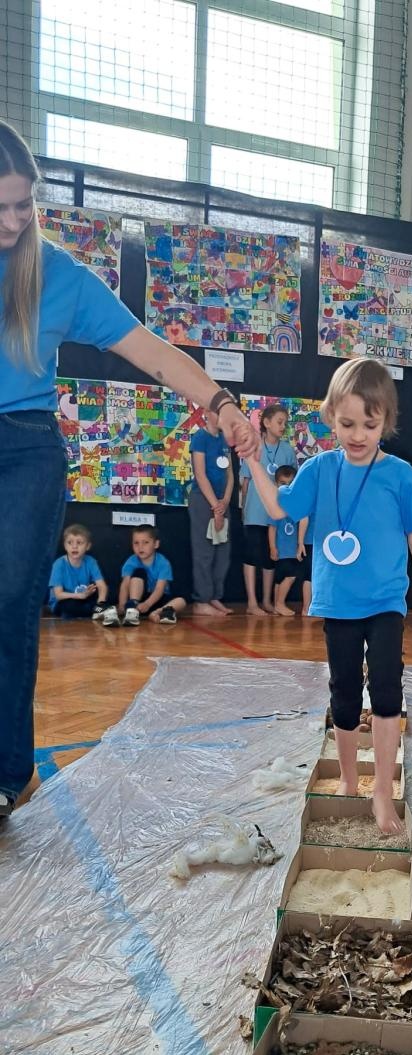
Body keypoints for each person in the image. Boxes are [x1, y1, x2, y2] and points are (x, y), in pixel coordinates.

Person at [0, 120, 258, 819]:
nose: (16, 221)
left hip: (24, 445)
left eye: (25, 204)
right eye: (1, 207)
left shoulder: (56, 273)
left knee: (9, 598)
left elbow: (153, 352)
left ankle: (5, 773)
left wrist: (221, 402)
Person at [243, 357, 412, 835]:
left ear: (385, 422)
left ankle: (381, 792)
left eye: (369, 425)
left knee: (388, 690)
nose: (357, 434)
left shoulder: (401, 476)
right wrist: (250, 456)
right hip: (338, 604)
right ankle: (350, 781)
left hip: (388, 602)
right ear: (330, 416)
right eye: (347, 423)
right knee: (345, 693)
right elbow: (275, 506)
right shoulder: (317, 470)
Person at [239, 403, 296, 615]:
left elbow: (293, 484)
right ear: (266, 423)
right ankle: (252, 603)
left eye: (285, 423)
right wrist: (243, 507)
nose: (283, 426)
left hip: (277, 514)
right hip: (255, 510)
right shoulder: (254, 447)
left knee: (271, 556)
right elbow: (245, 481)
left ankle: (267, 601)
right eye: (280, 422)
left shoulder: (288, 450)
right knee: (252, 555)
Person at [188, 410, 234, 617]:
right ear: (208, 413)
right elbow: (200, 474)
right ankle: (202, 600)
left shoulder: (226, 439)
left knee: (222, 551)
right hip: (203, 501)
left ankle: (215, 596)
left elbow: (230, 474)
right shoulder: (200, 438)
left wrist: (224, 501)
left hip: (222, 502)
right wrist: (215, 505)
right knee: (204, 552)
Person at [105, 525, 186, 626]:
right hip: (138, 600)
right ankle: (131, 610)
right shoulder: (131, 561)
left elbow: (159, 589)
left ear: (156, 544)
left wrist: (148, 604)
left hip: (156, 599)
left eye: (145, 542)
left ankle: (157, 612)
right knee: (139, 572)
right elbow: (125, 584)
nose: (140, 547)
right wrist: (122, 605)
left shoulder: (163, 563)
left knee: (181, 601)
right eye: (136, 543)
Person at [48, 523, 108, 619]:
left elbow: (102, 586)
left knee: (96, 597)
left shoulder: (91, 561)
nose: (74, 546)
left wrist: (101, 603)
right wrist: (80, 596)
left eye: (79, 543)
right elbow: (58, 595)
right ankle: (93, 612)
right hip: (63, 601)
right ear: (65, 545)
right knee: (68, 605)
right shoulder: (59, 565)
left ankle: (97, 610)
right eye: (70, 542)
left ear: (88, 546)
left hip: (83, 598)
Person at [268, 465, 302, 616]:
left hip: (291, 550)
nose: (287, 487)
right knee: (290, 576)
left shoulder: (295, 504)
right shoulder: (276, 504)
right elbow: (272, 528)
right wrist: (273, 548)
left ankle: (276, 605)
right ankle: (280, 604)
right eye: (283, 483)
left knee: (280, 578)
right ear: (276, 484)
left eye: (291, 483)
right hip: (282, 551)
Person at [297, 513, 314, 616]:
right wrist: (300, 543)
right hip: (311, 541)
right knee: (309, 576)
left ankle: (310, 608)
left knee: (314, 576)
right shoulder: (310, 498)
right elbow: (304, 519)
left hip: (322, 541)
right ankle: (306, 609)